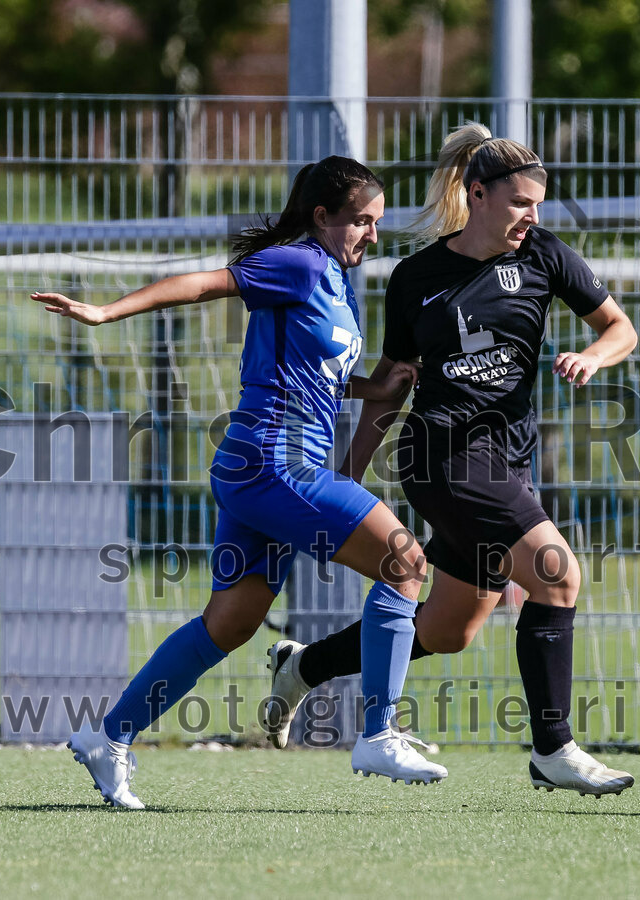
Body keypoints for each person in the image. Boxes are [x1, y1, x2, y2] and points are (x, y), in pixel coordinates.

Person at [31, 156, 447, 808]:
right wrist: (106, 314)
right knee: (405, 561)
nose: (372, 235)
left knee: (231, 622)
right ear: (321, 217)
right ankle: (378, 733)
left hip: (259, 469)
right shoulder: (301, 261)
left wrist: (377, 386)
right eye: (362, 221)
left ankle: (108, 737)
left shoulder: (335, 283)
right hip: (272, 462)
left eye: (377, 223)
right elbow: (202, 285)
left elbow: (317, 377)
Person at [265, 123, 640, 796]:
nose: (533, 216)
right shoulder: (416, 278)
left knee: (449, 628)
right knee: (558, 575)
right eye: (521, 202)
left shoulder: (546, 257)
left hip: (507, 460)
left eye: (538, 204)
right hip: (442, 455)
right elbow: (391, 382)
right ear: (479, 195)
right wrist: (349, 470)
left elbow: (621, 328)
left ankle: (304, 666)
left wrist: (591, 357)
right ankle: (555, 749)